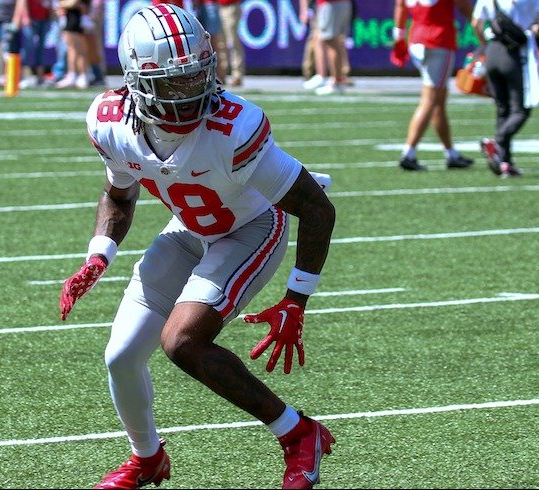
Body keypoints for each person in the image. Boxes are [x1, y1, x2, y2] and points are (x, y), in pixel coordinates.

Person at [59, 4, 337, 489]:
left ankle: (297, 434)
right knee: (121, 356)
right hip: (189, 229)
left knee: (181, 340)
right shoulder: (111, 123)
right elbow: (118, 195)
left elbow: (316, 208)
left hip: (250, 229)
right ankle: (148, 458)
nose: (190, 94)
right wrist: (99, 253)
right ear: (137, 81)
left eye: (196, 77)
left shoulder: (233, 127)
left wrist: (296, 299)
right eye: (174, 82)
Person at [390, 0, 475, 171]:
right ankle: (408, 153)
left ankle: (451, 153)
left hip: (417, 38)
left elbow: (400, 5)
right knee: (430, 99)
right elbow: (464, 5)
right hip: (438, 40)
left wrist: (399, 36)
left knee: (438, 100)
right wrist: (478, 26)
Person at [472, 0, 539, 177]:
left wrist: (485, 46)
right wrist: (532, 30)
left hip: (493, 51)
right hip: (515, 53)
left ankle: (505, 162)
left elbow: (476, 24)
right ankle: (498, 142)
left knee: (503, 109)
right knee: (521, 110)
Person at [298, 0, 350, 95]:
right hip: (335, 4)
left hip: (331, 4)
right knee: (329, 40)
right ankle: (333, 79)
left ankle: (337, 81)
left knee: (331, 41)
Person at [217, 0, 244, 86]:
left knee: (233, 42)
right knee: (221, 44)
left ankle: (237, 75)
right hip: (218, 7)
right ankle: (222, 74)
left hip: (230, 6)